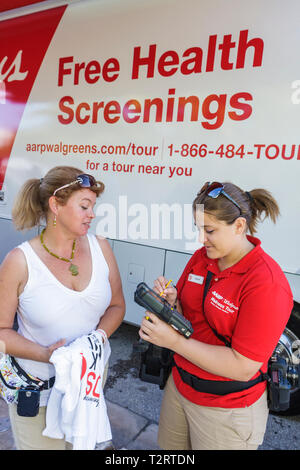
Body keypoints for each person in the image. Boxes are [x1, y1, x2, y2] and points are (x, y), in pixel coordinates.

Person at [139, 181, 293, 450]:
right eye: (199, 229)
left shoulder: (265, 282)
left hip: (227, 409)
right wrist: (172, 303)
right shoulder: (202, 257)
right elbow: (188, 318)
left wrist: (173, 343)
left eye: (209, 230)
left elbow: (243, 366)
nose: (201, 239)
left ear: (239, 226)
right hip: (180, 389)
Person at [0, 166, 125, 450]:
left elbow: (117, 306)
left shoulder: (101, 248)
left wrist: (98, 338)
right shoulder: (19, 261)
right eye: (84, 206)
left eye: (93, 206)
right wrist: (46, 354)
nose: (91, 214)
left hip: (88, 384)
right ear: (55, 205)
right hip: (38, 389)